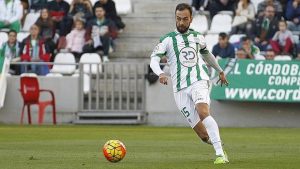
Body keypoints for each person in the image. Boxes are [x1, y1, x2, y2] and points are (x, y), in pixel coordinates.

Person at [150, 3, 229, 164]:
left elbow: (207, 55)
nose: (181, 22)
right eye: (178, 19)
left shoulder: (198, 36)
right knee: (203, 136)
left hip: (199, 80)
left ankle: (220, 154)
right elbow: (153, 60)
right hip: (179, 88)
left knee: (203, 112)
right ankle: (216, 142)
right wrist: (160, 73)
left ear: (191, 19)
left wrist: (220, 70)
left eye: (185, 19)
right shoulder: (167, 40)